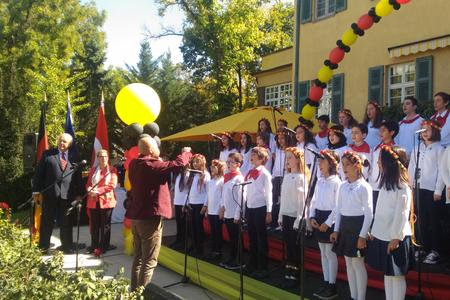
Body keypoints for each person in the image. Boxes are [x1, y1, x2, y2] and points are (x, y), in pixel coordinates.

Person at [126, 136, 192, 291]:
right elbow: (177, 164)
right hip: (149, 220)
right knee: (149, 261)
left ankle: (134, 291)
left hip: (136, 218)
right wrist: (186, 153)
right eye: (156, 146)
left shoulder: (135, 164)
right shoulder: (152, 165)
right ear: (150, 149)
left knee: (138, 258)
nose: (159, 149)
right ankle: (142, 294)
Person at [367, 145, 414, 300]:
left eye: (380, 161)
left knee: (397, 276)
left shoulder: (403, 187)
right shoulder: (385, 186)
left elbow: (401, 215)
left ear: (389, 163)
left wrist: (395, 238)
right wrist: (374, 231)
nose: (378, 164)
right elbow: (379, 212)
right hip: (383, 235)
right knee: (388, 274)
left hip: (396, 239)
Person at [331, 151, 373, 300]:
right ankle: (353, 296)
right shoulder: (342, 186)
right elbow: (339, 210)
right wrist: (336, 230)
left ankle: (360, 298)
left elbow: (369, 214)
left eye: (347, 165)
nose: (344, 168)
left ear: (357, 166)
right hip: (345, 227)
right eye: (342, 165)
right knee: (348, 263)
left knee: (357, 264)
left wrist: (362, 235)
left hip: (358, 227)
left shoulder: (364, 187)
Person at [33, 133, 83, 254]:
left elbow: (78, 178)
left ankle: (67, 246)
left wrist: (79, 194)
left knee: (66, 222)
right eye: (60, 140)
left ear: (69, 144)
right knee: (47, 222)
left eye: (64, 141)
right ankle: (43, 247)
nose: (62, 143)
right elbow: (39, 174)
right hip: (50, 194)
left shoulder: (74, 157)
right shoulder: (48, 154)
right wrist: (36, 191)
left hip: (67, 195)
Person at [408, 120, 444, 264]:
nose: (424, 133)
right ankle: (422, 247)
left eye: (427, 130)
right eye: (422, 130)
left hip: (432, 190)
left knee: (433, 221)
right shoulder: (418, 148)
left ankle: (435, 250)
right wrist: (410, 186)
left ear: (434, 131)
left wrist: (438, 190)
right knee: (420, 220)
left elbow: (442, 171)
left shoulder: (439, 149)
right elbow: (411, 167)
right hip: (418, 188)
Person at [309, 150, 342, 299]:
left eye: (322, 161)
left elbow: (338, 206)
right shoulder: (320, 180)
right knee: (323, 253)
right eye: (319, 161)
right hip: (319, 216)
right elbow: (314, 200)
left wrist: (328, 223)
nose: (319, 164)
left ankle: (332, 285)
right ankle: (326, 282)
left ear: (331, 163)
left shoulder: (337, 182)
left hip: (330, 219)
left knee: (330, 253)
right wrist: (311, 216)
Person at [278, 147, 309, 281]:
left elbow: (302, 201)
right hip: (286, 215)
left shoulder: (301, 178)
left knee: (295, 246)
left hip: (295, 216)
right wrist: (280, 215)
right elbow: (283, 197)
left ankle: (297, 271)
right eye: (286, 157)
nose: (287, 160)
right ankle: (289, 267)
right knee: (288, 244)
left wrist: (299, 219)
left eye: (290, 157)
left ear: (298, 160)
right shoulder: (287, 176)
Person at [242, 146, 273, 278]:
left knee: (261, 238)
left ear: (261, 158)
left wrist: (269, 212)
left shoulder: (265, 173)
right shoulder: (249, 172)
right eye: (252, 154)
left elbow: (269, 194)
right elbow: (247, 191)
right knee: (252, 237)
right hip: (250, 207)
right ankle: (253, 263)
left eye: (255, 155)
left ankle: (263, 266)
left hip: (260, 208)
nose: (252, 156)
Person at [85, 149, 118, 256]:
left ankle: (104, 246)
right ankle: (94, 245)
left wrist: (97, 191)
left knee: (105, 225)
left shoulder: (112, 170)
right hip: (93, 201)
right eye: (101, 156)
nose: (103, 158)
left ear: (108, 158)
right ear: (97, 158)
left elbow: (112, 185)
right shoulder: (93, 170)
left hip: (107, 201)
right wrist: (90, 190)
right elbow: (88, 183)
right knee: (94, 225)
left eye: (105, 156)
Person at [220, 152, 245, 270]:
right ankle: (232, 257)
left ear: (238, 164)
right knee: (232, 238)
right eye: (227, 162)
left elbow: (241, 198)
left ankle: (239, 260)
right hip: (228, 212)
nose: (228, 164)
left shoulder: (239, 178)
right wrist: (222, 207)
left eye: (230, 162)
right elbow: (225, 195)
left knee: (237, 238)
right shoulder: (227, 176)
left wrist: (237, 215)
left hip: (235, 214)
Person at [369, 120, 399, 212]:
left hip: (387, 186)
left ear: (392, 132)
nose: (380, 132)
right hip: (374, 185)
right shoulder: (376, 148)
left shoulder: (395, 149)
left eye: (384, 130)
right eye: (380, 130)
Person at [189, 154, 211, 256]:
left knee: (198, 227)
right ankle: (194, 245)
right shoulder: (193, 174)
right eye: (194, 162)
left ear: (202, 163)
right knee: (192, 226)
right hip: (192, 204)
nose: (195, 164)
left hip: (200, 204)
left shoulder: (205, 174)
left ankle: (199, 248)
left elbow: (208, 192)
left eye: (197, 162)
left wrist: (205, 206)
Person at [205, 159, 225, 260]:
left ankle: (218, 251)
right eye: (211, 167)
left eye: (215, 167)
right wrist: (207, 207)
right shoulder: (211, 181)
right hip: (211, 210)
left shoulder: (222, 181)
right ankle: (213, 250)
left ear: (220, 168)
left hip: (217, 210)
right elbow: (208, 195)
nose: (212, 168)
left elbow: (223, 196)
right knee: (213, 231)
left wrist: (221, 208)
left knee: (218, 231)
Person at [271, 130, 291, 230]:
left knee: (284, 200)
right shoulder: (278, 150)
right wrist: (273, 175)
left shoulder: (290, 150)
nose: (280, 141)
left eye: (282, 138)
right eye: (278, 139)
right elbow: (276, 164)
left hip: (285, 176)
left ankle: (283, 223)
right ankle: (276, 222)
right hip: (277, 176)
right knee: (276, 200)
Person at [170, 167, 189, 250]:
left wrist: (186, 204)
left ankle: (183, 243)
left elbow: (186, 187)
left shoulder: (187, 174)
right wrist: (174, 201)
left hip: (183, 203)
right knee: (178, 223)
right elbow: (176, 190)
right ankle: (178, 240)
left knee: (183, 224)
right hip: (178, 202)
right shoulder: (178, 175)